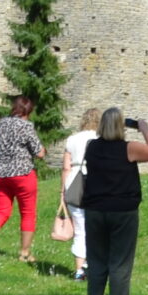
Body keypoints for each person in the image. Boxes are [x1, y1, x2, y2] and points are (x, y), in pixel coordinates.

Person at [80, 109, 148, 295]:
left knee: (96, 259)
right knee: (120, 261)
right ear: (120, 126)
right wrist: (144, 128)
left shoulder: (92, 147)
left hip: (95, 210)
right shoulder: (129, 148)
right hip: (122, 211)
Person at [0, 96, 46, 263]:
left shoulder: (0, 124)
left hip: (0, 174)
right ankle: (24, 253)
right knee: (28, 213)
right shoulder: (26, 126)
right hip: (22, 174)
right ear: (28, 111)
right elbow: (39, 152)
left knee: (2, 211)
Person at [58, 119, 95, 280]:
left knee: (80, 229)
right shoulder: (100, 137)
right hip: (95, 181)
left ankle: (80, 270)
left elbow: (66, 167)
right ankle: (93, 266)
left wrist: (62, 192)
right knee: (97, 228)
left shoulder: (72, 139)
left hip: (74, 182)